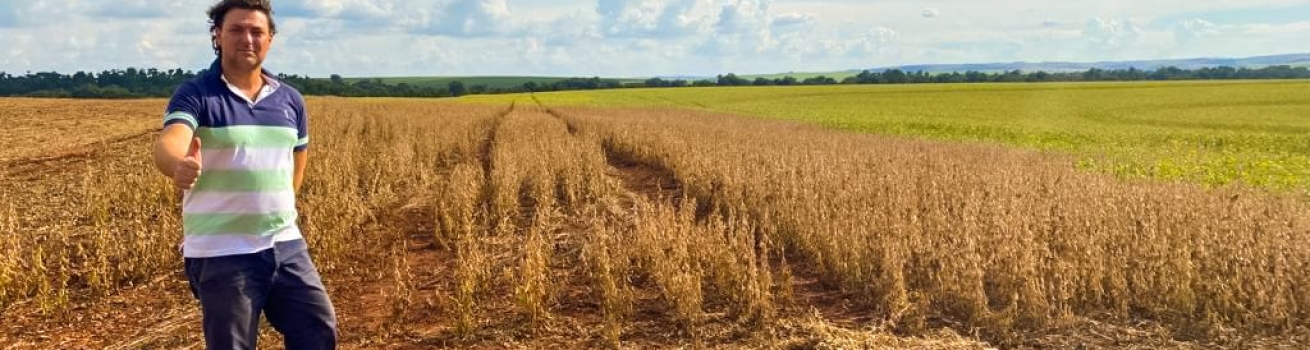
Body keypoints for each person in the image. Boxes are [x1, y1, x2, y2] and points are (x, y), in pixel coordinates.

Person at [151, 1, 337, 348]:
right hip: (222, 251)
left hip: (285, 244)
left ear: (270, 39)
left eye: (257, 31)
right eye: (236, 30)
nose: (247, 39)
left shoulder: (290, 100)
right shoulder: (197, 94)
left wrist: (280, 210)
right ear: (217, 36)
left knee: (318, 329)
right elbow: (170, 141)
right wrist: (179, 165)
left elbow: (297, 159)